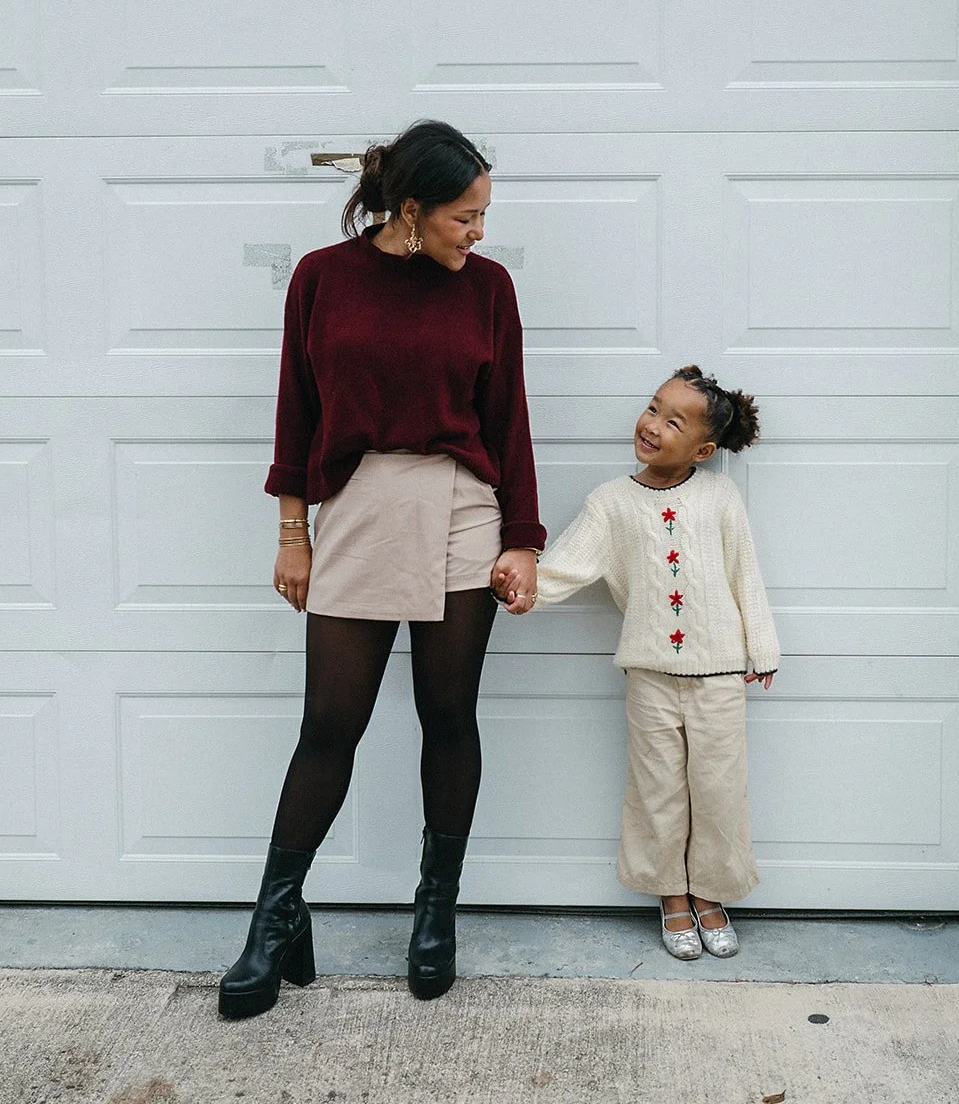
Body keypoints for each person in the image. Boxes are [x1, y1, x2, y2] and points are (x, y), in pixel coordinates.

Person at [219, 121, 544, 1020]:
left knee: (448, 714)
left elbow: (507, 415)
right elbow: (297, 406)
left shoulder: (488, 289)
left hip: (461, 509)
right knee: (330, 721)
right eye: (463, 216)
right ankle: (274, 921)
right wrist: (294, 531)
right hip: (358, 502)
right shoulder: (324, 278)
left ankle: (434, 910)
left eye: (483, 215)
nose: (477, 232)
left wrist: (520, 536)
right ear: (409, 210)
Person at [518, 366, 777, 961]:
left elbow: (745, 573)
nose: (653, 425)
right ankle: (672, 896)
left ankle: (711, 894)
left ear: (705, 449)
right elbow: (568, 563)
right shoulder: (610, 502)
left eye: (674, 421)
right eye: (653, 408)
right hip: (650, 673)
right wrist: (525, 588)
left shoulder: (719, 495)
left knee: (718, 790)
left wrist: (762, 646)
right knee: (656, 791)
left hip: (718, 673)